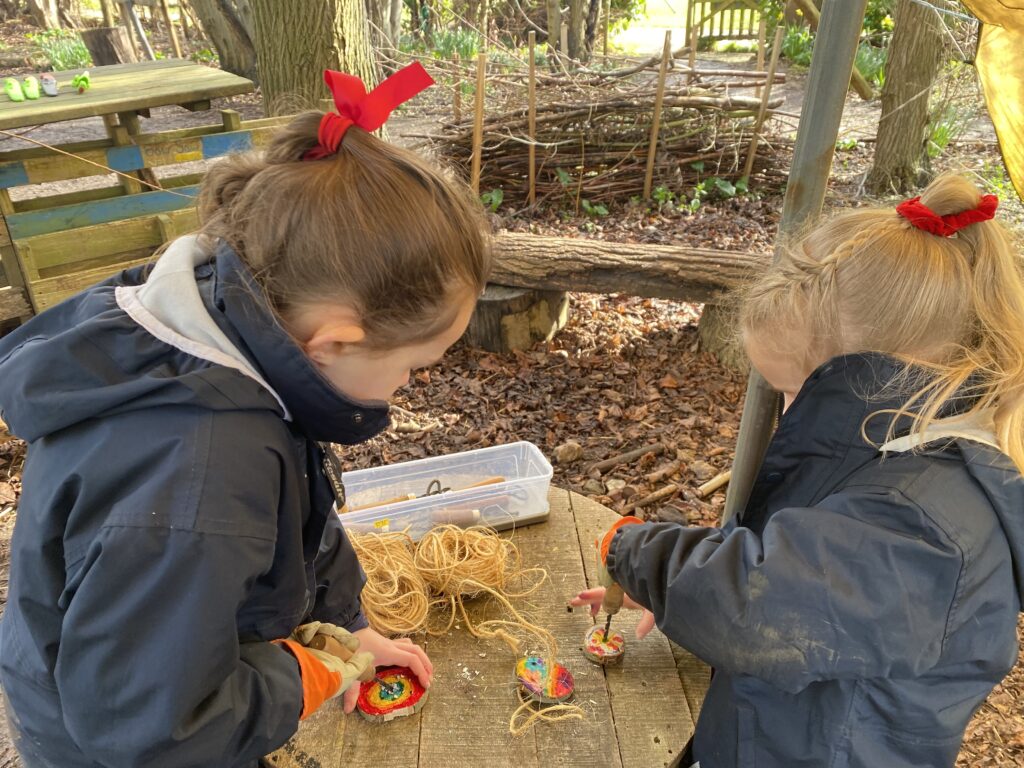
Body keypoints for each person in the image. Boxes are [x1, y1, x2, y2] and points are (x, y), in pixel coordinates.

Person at [0, 63, 490, 767]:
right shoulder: (199, 472)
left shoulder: (232, 335)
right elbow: (151, 726)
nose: (408, 387)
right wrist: (305, 673)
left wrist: (344, 627)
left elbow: (300, 522)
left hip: (160, 687)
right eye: (416, 366)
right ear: (337, 341)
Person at [573, 174, 1024, 768]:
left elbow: (758, 608)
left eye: (795, 393)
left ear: (876, 387)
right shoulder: (898, 463)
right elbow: (801, 566)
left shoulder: (924, 522)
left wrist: (633, 552)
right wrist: (678, 594)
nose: (786, 413)